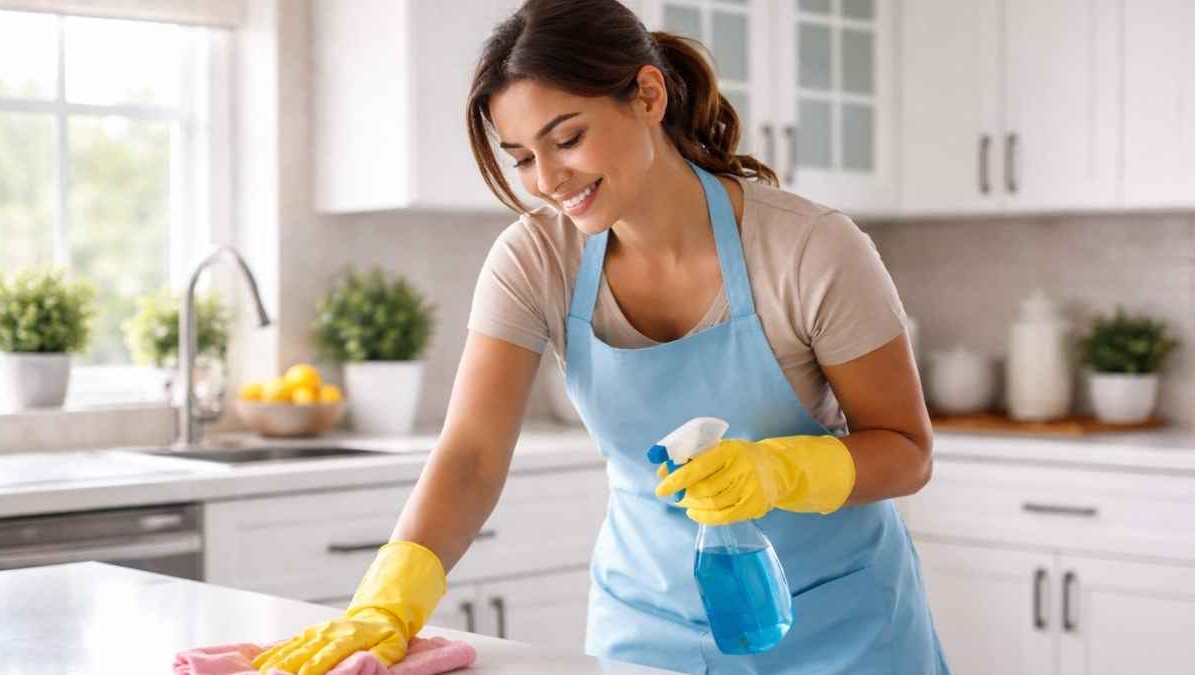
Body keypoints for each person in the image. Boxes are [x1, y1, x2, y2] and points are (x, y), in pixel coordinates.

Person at [252, 1, 950, 673]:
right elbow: (469, 456)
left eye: (567, 138)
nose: (548, 180)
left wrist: (782, 471)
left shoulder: (810, 249)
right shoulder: (535, 260)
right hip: (647, 630)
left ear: (648, 96)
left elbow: (907, 449)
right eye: (522, 156)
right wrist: (386, 601)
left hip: (837, 631)